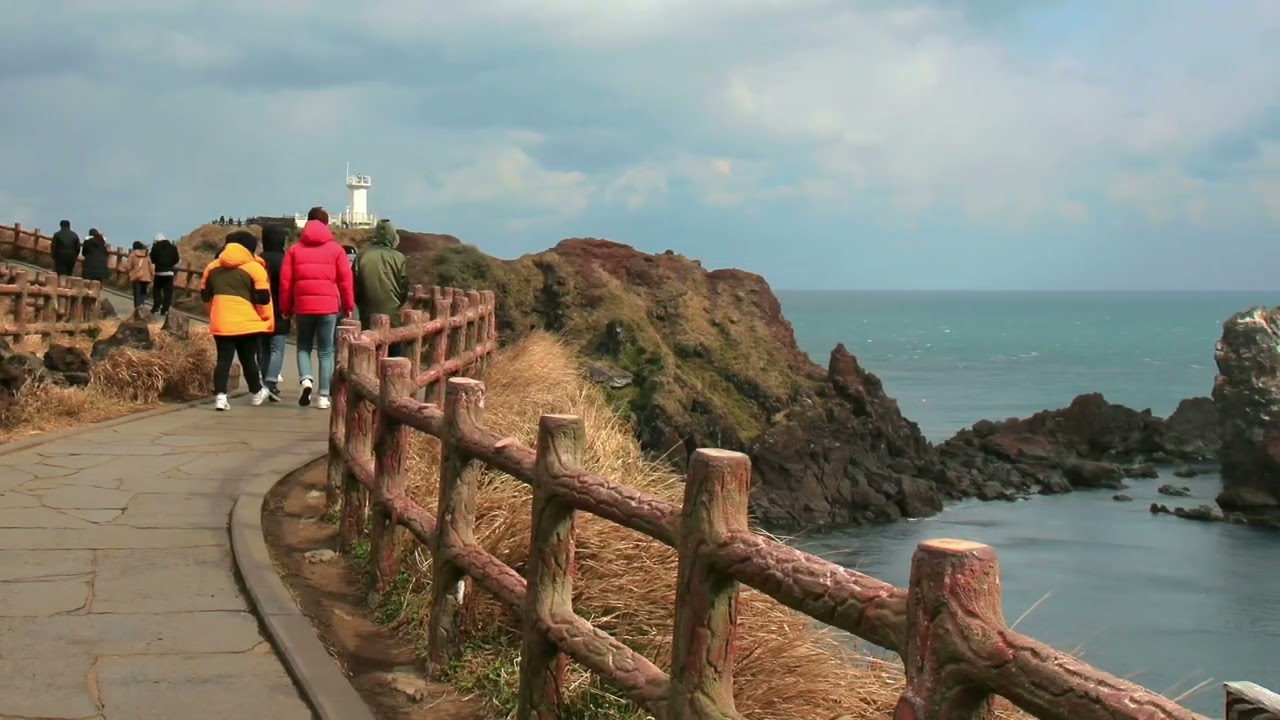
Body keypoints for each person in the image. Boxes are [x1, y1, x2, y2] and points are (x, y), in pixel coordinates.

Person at [280, 218, 353, 410]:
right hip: (328, 307)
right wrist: (348, 306)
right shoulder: (336, 250)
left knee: (303, 346)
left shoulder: (294, 250)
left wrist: (285, 308)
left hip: (303, 306)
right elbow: (345, 281)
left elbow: (286, 283)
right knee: (326, 350)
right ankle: (323, 395)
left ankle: (306, 379)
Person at [200, 230, 273, 411]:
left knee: (223, 360)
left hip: (221, 320)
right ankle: (256, 392)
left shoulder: (212, 267)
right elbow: (263, 298)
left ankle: (220, 397)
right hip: (247, 322)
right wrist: (265, 318)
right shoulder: (254, 267)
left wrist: (213, 313)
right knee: (248, 359)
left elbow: (205, 295)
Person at [354, 218, 410, 357]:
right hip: (392, 314)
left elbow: (354, 285)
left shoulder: (362, 256)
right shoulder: (399, 258)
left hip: (367, 314)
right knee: (394, 354)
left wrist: (361, 303)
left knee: (368, 354)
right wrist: (397, 304)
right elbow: (404, 287)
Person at [258, 224, 290, 401]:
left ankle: (265, 383)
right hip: (279, 308)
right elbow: (287, 287)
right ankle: (271, 382)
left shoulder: (258, 260)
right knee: (277, 348)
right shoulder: (284, 260)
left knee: (263, 348)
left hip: (260, 309)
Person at [148, 233, 180, 315]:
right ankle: (165, 309)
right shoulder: (173, 247)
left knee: (157, 290)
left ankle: (156, 306)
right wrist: (170, 264)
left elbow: (152, 259)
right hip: (169, 272)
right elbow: (176, 259)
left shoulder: (155, 247)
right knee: (168, 292)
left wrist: (158, 262)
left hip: (159, 272)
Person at [125, 241, 154, 309]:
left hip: (136, 276)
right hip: (146, 277)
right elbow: (151, 267)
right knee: (143, 293)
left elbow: (128, 267)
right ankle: (142, 306)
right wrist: (152, 275)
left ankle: (137, 308)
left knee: (137, 294)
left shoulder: (132, 255)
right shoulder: (146, 255)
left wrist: (130, 273)